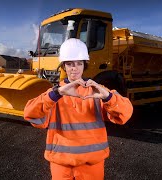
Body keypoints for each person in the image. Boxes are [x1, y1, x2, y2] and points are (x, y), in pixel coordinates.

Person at [23, 38, 133, 180]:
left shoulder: (99, 91)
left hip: (92, 165)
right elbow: (30, 114)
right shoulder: (54, 93)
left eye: (79, 63)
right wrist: (56, 94)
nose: (74, 68)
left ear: (84, 65)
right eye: (70, 63)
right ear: (64, 66)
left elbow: (125, 113)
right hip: (61, 165)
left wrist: (107, 97)